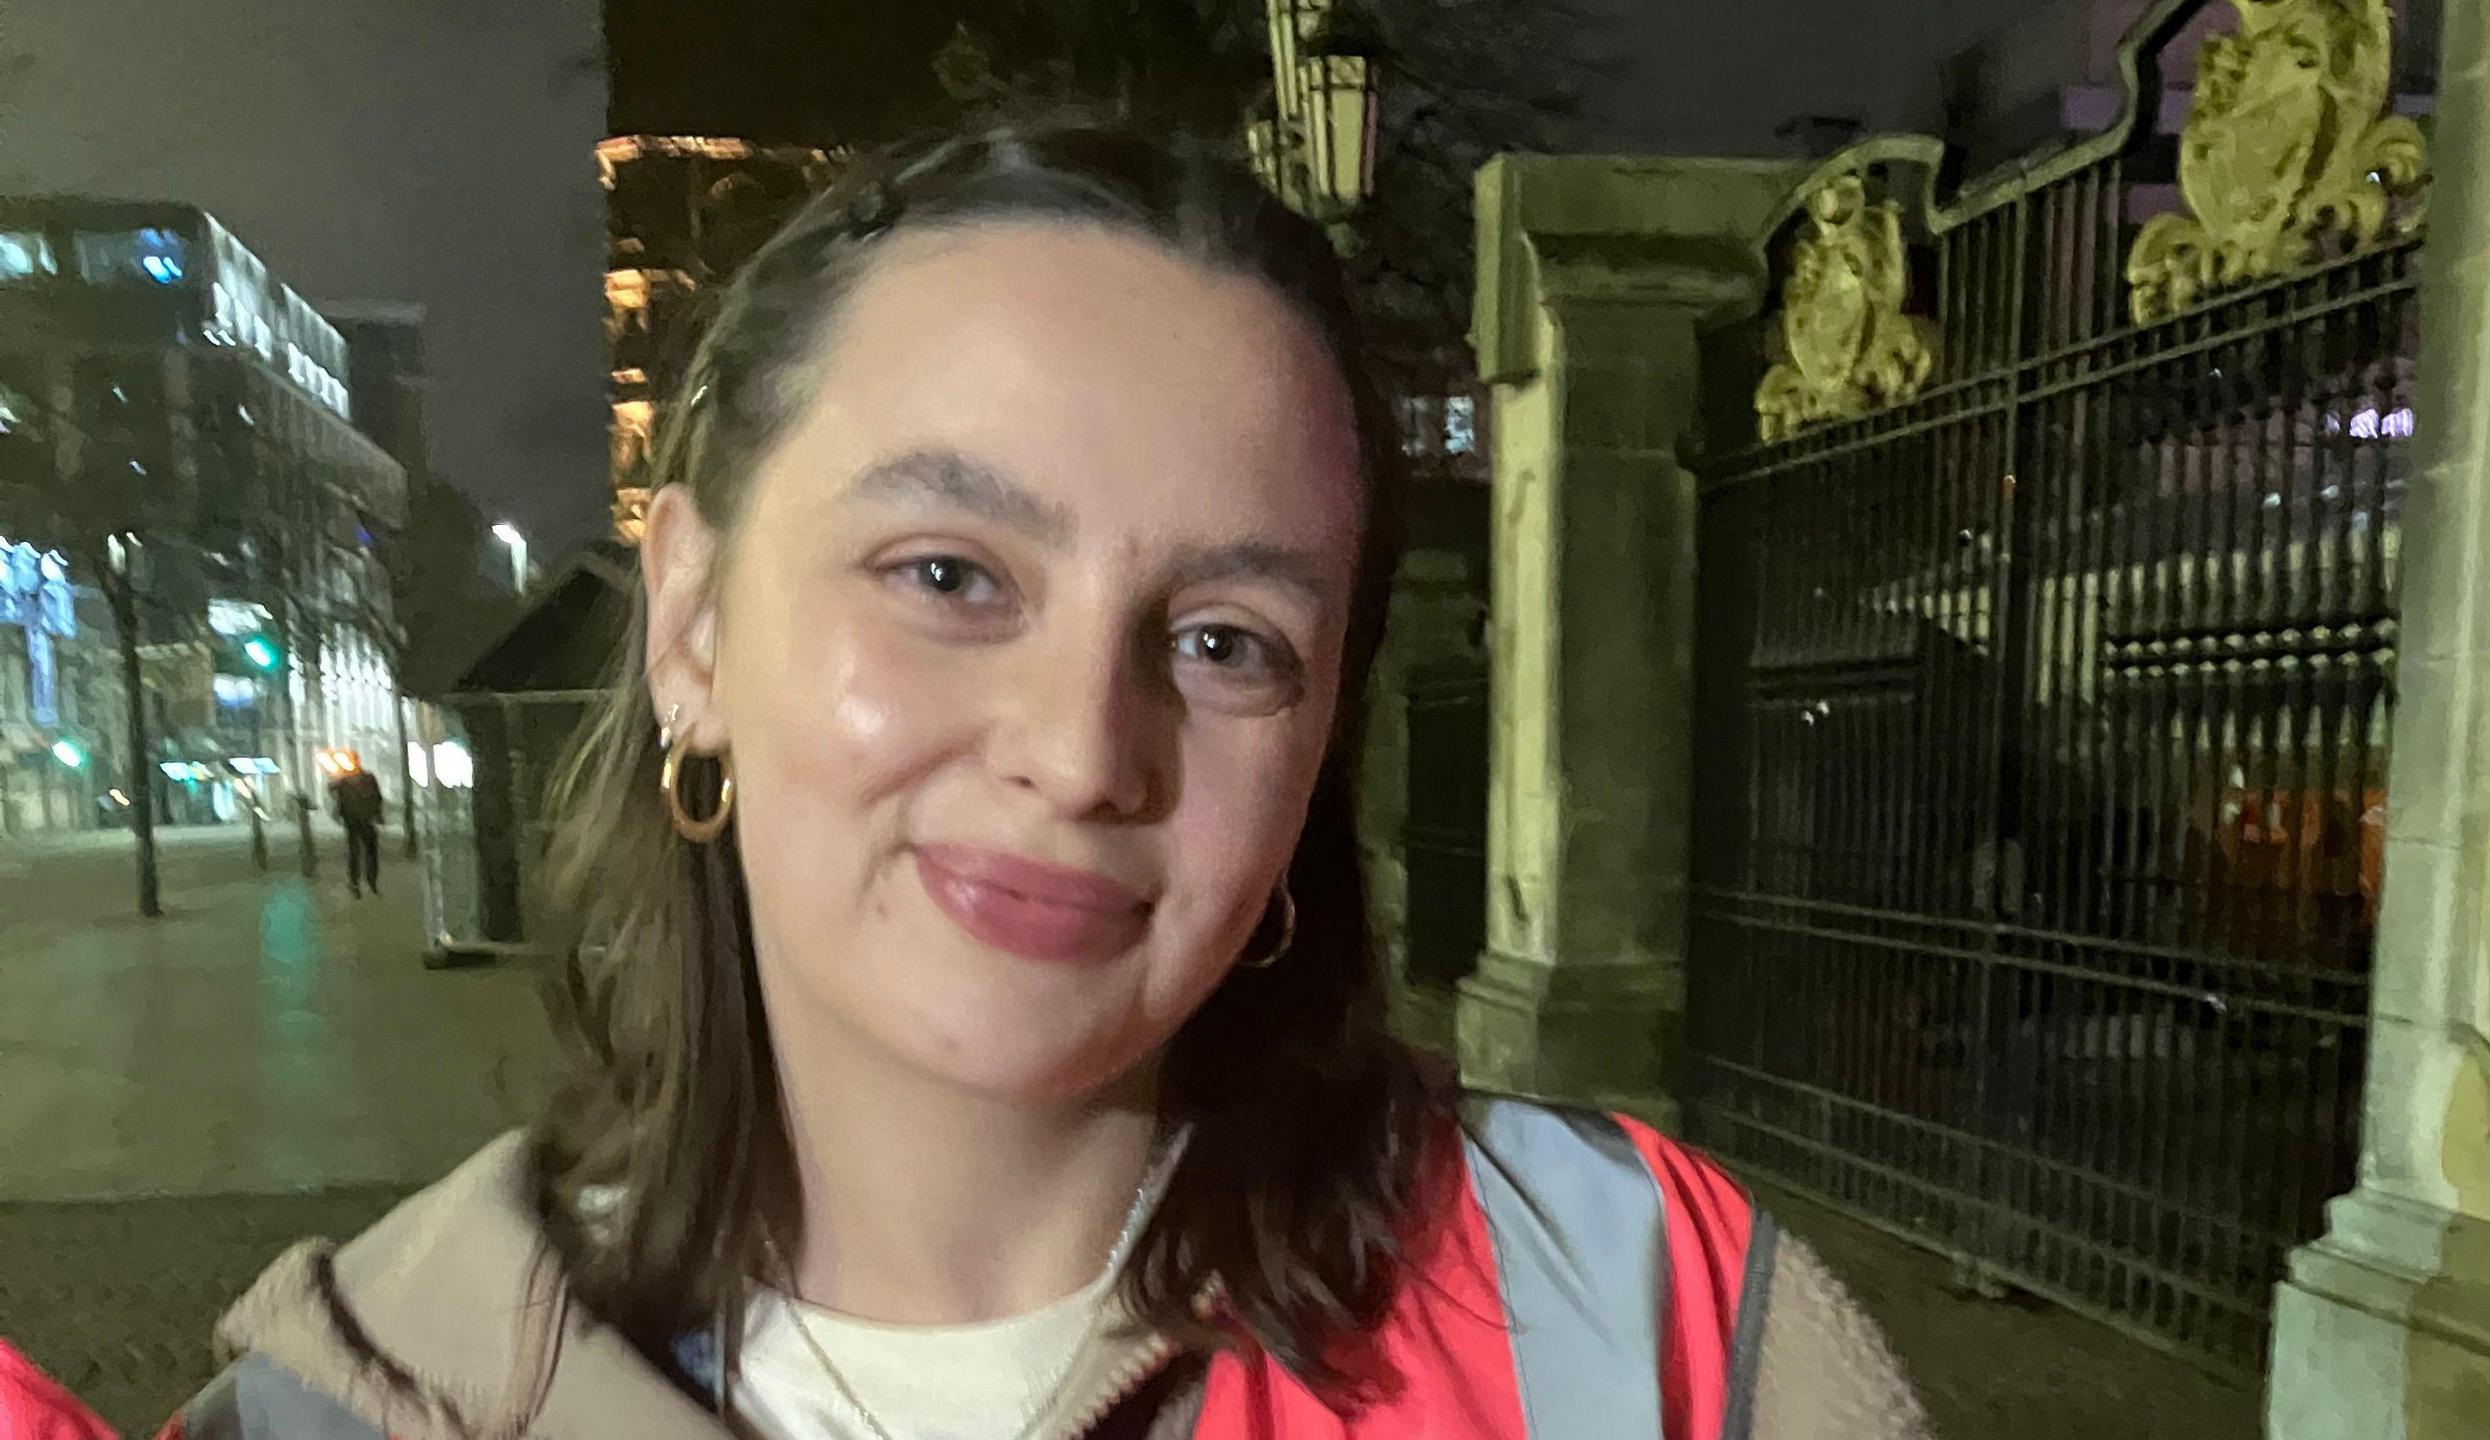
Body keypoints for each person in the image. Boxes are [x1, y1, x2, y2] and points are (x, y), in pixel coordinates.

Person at [164, 120, 1929, 1440]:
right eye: (950, 576)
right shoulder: (344, 1411)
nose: (1085, 753)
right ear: (692, 624)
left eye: (1227, 641)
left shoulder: (1651, 1323)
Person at [328, 754, 384, 897]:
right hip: (354, 820)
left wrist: (377, 813)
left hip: (363, 819)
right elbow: (331, 789)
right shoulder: (345, 780)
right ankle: (358, 883)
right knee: (357, 852)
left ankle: (368, 881)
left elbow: (377, 797)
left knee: (366, 852)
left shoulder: (366, 778)